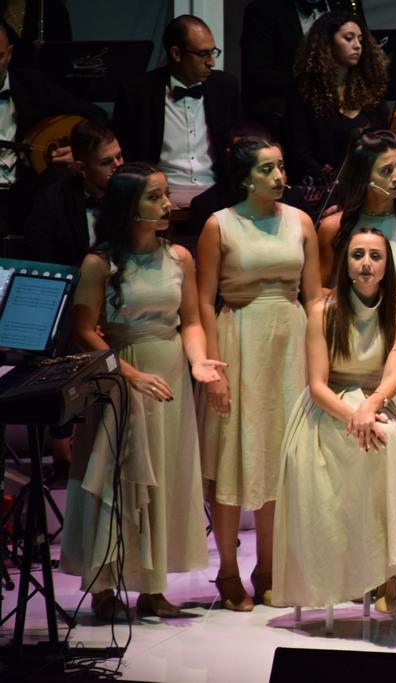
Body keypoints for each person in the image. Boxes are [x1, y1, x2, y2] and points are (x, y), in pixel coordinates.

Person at [60, 162, 224, 619]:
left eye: (166, 194)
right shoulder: (100, 262)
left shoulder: (180, 257)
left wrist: (198, 360)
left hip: (169, 376)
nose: (167, 204)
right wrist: (129, 375)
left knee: (165, 478)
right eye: (156, 196)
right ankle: (104, 587)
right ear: (129, 206)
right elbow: (83, 330)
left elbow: (191, 322)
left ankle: (153, 586)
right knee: (118, 476)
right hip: (121, 376)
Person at [273, 225, 396, 611]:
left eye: (375, 256)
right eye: (358, 255)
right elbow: (317, 385)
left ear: (387, 265)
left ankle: (395, 573)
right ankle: (376, 571)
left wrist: (368, 409)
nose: (366, 263)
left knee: (392, 448)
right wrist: (355, 416)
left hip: (374, 405)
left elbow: (392, 377)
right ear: (346, 263)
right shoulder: (322, 311)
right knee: (370, 452)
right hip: (327, 411)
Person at [196, 136, 321, 611]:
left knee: (278, 457)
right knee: (233, 456)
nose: (279, 176)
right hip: (239, 340)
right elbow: (204, 302)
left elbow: (315, 298)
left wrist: (320, 361)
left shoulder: (300, 221)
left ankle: (268, 568)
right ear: (245, 177)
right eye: (267, 169)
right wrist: (214, 369)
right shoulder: (219, 225)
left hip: (290, 341)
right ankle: (228, 571)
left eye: (281, 166)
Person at [318, 130, 396, 464]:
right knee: (353, 443)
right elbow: (318, 290)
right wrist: (358, 302)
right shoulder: (334, 227)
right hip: (351, 338)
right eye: (386, 170)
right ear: (363, 175)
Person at [112, 15, 241, 210]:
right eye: (203, 54)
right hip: (160, 193)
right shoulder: (138, 91)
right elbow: (127, 154)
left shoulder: (225, 86)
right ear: (176, 53)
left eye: (213, 52)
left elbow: (237, 146)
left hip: (216, 192)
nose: (212, 62)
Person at [0, 24, 107, 239]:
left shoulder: (32, 84)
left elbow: (97, 115)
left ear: (10, 54)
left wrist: (78, 150)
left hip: (27, 189)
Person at [284, 11, 390, 181]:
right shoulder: (304, 93)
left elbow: (382, 138)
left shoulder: (370, 90)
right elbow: (299, 150)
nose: (357, 45)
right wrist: (326, 178)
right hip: (321, 185)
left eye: (360, 40)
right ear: (328, 43)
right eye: (349, 38)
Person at [240, 0, 358, 133]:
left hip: (344, 105)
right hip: (291, 111)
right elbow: (258, 75)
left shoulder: (343, 5)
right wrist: (313, 86)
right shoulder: (264, 10)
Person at [25, 120, 124, 266]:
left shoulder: (132, 193)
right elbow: (40, 263)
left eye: (119, 156)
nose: (118, 166)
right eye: (106, 162)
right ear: (81, 169)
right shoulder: (51, 202)